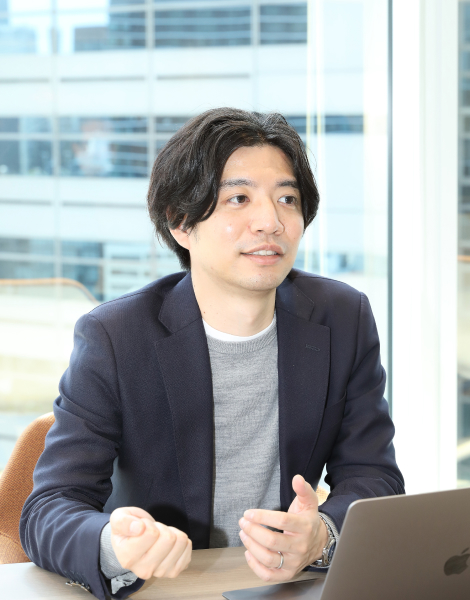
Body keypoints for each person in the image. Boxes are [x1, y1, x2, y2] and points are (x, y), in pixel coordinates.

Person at [20, 108, 405, 600]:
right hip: (167, 589)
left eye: (287, 199)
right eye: (239, 198)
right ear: (180, 222)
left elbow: (374, 476)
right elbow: (48, 508)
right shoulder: (116, 337)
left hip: (283, 588)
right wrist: (115, 546)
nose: (270, 222)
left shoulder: (342, 317)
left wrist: (322, 536)